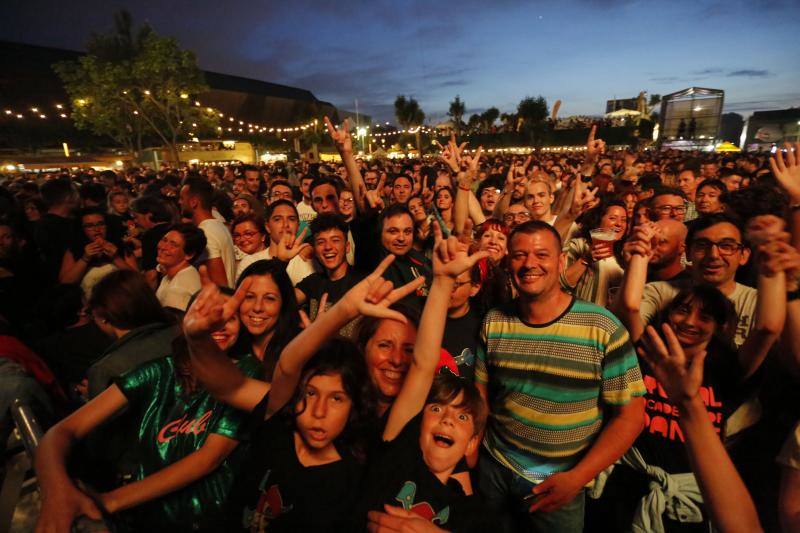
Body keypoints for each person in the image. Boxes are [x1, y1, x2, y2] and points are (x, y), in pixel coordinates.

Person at [182, 255, 424, 531]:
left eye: (337, 398)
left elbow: (424, 369)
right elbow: (277, 369)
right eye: (310, 393)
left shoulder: (357, 470)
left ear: (353, 405)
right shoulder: (279, 426)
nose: (319, 412)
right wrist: (343, 309)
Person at [34, 287, 258, 532]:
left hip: (212, 520)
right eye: (210, 315)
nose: (220, 325)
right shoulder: (160, 371)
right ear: (188, 322)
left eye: (230, 318)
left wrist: (109, 500)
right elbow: (63, 431)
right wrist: (57, 490)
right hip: (150, 519)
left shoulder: (247, 374)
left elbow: (208, 458)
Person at [475, 220, 646, 533]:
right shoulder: (495, 321)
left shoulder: (602, 328)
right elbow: (482, 394)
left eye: (542, 255)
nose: (530, 264)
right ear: (508, 262)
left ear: (561, 261)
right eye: (519, 255)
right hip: (494, 469)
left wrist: (578, 478)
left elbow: (631, 417)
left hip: (559, 483)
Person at [593, 276, 785, 532]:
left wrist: (772, 271)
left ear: (721, 326)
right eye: (682, 310)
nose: (690, 321)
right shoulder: (647, 352)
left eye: (705, 316)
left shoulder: (726, 371)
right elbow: (629, 305)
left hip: (691, 501)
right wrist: (640, 247)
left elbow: (768, 328)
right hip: (627, 487)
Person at [359, 230, 494, 532]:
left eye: (461, 416)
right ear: (417, 421)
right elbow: (422, 366)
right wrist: (443, 282)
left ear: (472, 442)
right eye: (436, 410)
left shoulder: (469, 507)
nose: (446, 420)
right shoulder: (397, 454)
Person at [295, 214, 363, 330]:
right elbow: (278, 303)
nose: (328, 247)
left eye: (335, 240)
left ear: (347, 247)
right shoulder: (312, 283)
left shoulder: (362, 282)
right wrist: (282, 261)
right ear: (315, 250)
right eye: (321, 242)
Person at [562, 199, 627, 306]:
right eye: (613, 218)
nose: (619, 224)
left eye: (624, 220)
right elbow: (562, 283)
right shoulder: (580, 245)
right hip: (584, 317)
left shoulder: (624, 254)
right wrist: (585, 259)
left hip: (610, 319)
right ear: (598, 221)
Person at [59, 207, 136, 297]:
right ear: (81, 229)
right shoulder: (73, 250)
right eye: (89, 226)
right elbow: (65, 284)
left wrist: (116, 258)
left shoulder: (122, 247)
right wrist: (85, 259)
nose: (97, 229)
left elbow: (137, 281)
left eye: (101, 224)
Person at [236, 200, 314, 286]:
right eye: (277, 219)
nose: (285, 224)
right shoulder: (250, 263)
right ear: (268, 227)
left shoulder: (307, 262)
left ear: (298, 226)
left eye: (291, 219)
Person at [179, 177, 237, 287]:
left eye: (182, 198)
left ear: (193, 202)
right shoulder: (218, 225)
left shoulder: (206, 232)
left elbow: (219, 284)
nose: (179, 202)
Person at [35, 178, 80, 284]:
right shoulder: (57, 226)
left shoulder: (42, 224)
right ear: (68, 197)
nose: (79, 197)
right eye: (76, 192)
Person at [155, 223, 207, 311]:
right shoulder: (172, 276)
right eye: (164, 240)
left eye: (173, 245)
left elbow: (176, 324)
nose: (163, 247)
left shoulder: (177, 291)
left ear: (189, 254)